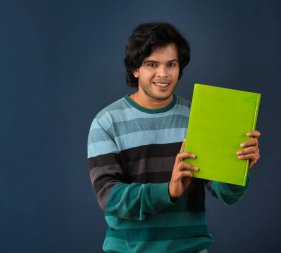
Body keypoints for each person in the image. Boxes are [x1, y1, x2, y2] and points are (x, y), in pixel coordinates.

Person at [87, 22, 261, 253]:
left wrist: (238, 168)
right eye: (152, 64)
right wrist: (168, 191)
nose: (163, 74)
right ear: (135, 69)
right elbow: (110, 199)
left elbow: (226, 195)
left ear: (180, 68)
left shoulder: (198, 118)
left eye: (171, 64)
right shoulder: (106, 122)